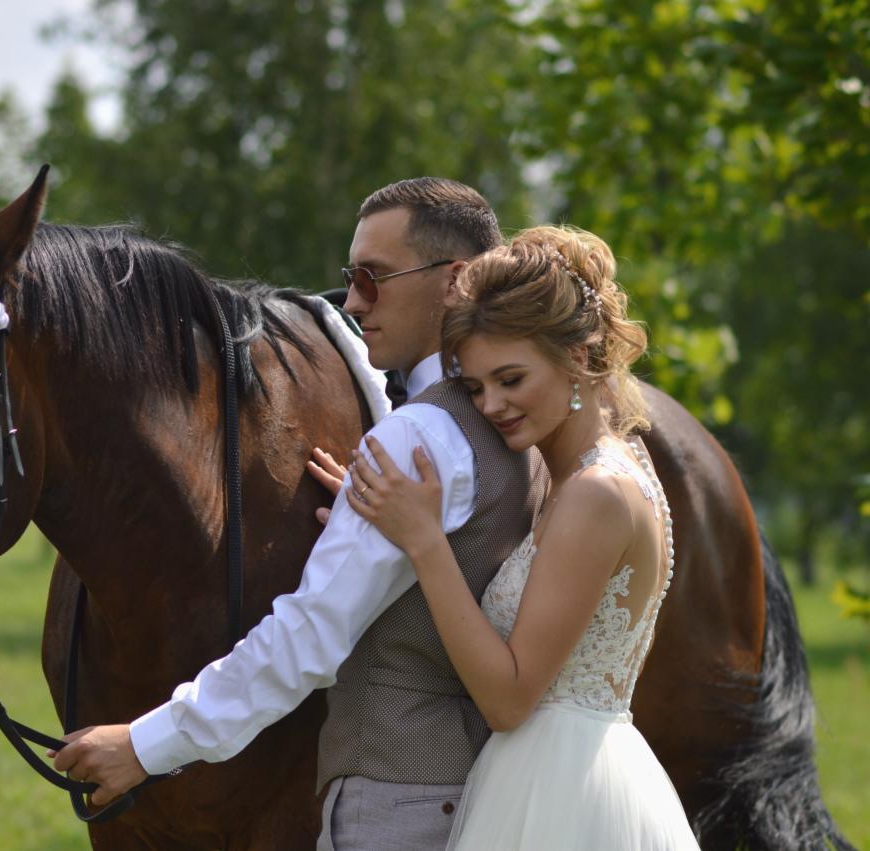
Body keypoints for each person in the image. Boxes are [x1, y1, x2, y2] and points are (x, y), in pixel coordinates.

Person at [53, 176, 548, 850]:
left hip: (393, 811)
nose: (351, 302)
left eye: (373, 279)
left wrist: (144, 743)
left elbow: (305, 639)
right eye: (351, 278)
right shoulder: (518, 425)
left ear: (455, 281)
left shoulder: (414, 442)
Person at [346, 226, 699, 848]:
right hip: (552, 773)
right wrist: (369, 518)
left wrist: (424, 541)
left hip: (561, 796)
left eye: (511, 379)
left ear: (581, 359)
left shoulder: (596, 495)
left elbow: (508, 700)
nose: (492, 406)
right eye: (477, 386)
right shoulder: (597, 471)